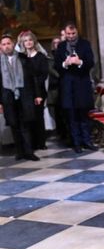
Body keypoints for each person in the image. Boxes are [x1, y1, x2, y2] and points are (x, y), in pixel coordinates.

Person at [55, 21, 97, 153]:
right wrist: (65, 64)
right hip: (67, 85)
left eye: (73, 33)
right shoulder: (61, 47)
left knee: (84, 116)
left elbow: (91, 62)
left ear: (77, 32)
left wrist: (80, 62)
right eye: (68, 33)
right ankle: (76, 143)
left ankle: (87, 141)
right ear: (65, 33)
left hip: (81, 84)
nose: (71, 36)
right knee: (72, 116)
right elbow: (56, 66)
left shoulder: (85, 44)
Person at [0, 33, 40, 161]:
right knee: (14, 125)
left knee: (25, 125)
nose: (6, 46)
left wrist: (37, 94)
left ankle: (29, 152)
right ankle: (20, 152)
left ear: (13, 45)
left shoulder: (23, 58)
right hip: (7, 97)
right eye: (3, 44)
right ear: (0, 47)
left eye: (8, 44)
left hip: (24, 95)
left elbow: (33, 78)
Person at [18, 30, 49, 149]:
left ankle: (41, 143)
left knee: (39, 117)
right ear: (22, 43)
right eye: (25, 41)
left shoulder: (41, 56)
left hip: (39, 91)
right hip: (26, 92)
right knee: (28, 117)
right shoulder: (21, 57)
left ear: (34, 41)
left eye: (30, 40)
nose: (28, 42)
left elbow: (44, 74)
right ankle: (32, 143)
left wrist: (36, 89)